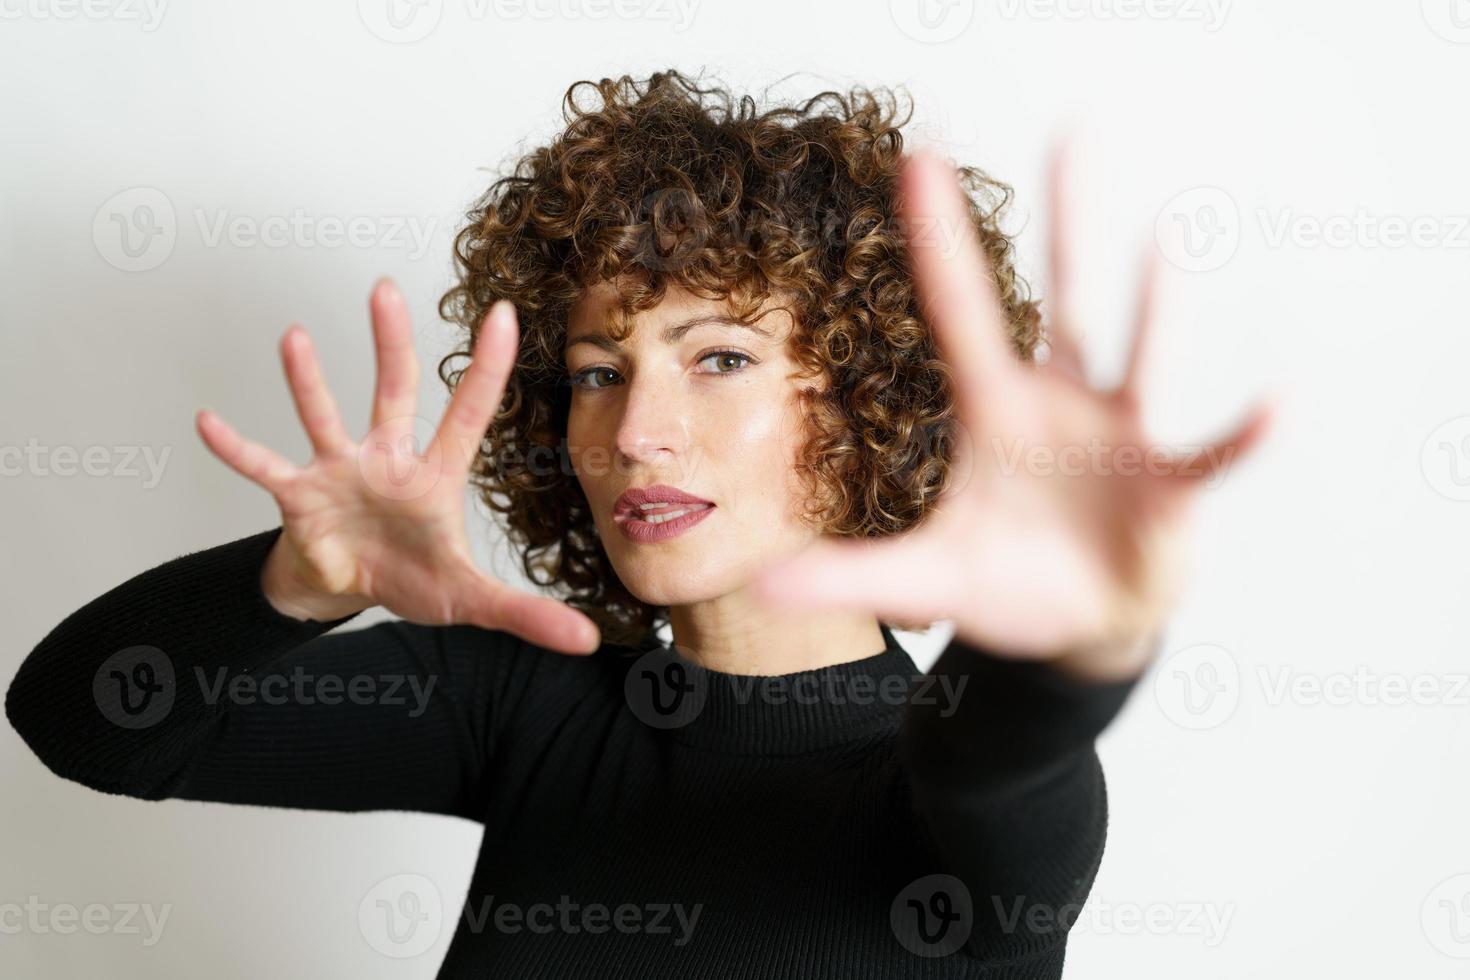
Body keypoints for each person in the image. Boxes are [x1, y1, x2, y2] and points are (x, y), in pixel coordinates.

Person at [5, 70, 1270, 978]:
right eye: (601, 369)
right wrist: (295, 578)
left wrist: (1080, 642)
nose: (633, 429)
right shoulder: (522, 702)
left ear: (878, 401)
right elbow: (88, 721)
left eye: (717, 358)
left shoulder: (939, 788)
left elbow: (1004, 749)